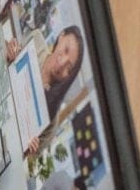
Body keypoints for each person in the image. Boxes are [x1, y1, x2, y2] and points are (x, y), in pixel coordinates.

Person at [5, 24, 85, 154]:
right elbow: (5, 65)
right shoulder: (36, 40)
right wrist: (9, 53)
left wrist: (26, 148)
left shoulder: (52, 120)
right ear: (61, 36)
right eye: (66, 49)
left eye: (69, 68)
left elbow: (21, 158)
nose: (62, 62)